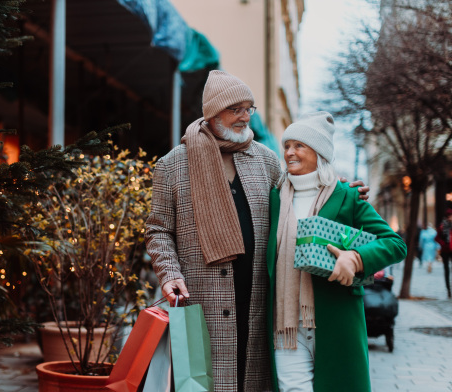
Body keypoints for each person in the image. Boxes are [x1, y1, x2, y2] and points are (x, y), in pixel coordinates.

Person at [145, 71, 368, 392]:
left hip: (259, 296)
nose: (245, 116)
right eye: (235, 108)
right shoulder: (172, 165)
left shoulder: (265, 160)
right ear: (212, 111)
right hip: (201, 296)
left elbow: (303, 194)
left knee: (252, 381)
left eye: (249, 108)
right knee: (203, 381)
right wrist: (169, 273)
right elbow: (158, 229)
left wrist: (346, 190)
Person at [265, 112, 407, 392]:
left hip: (336, 321)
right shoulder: (273, 198)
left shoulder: (347, 196)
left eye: (299, 145)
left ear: (319, 152)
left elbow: (395, 243)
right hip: (286, 327)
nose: (289, 152)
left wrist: (356, 258)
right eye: (287, 146)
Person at [436, 208, 452, 298]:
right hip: (445, 251)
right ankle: (448, 289)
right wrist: (443, 244)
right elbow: (437, 237)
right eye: (448, 216)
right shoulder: (442, 226)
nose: (450, 218)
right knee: (447, 270)